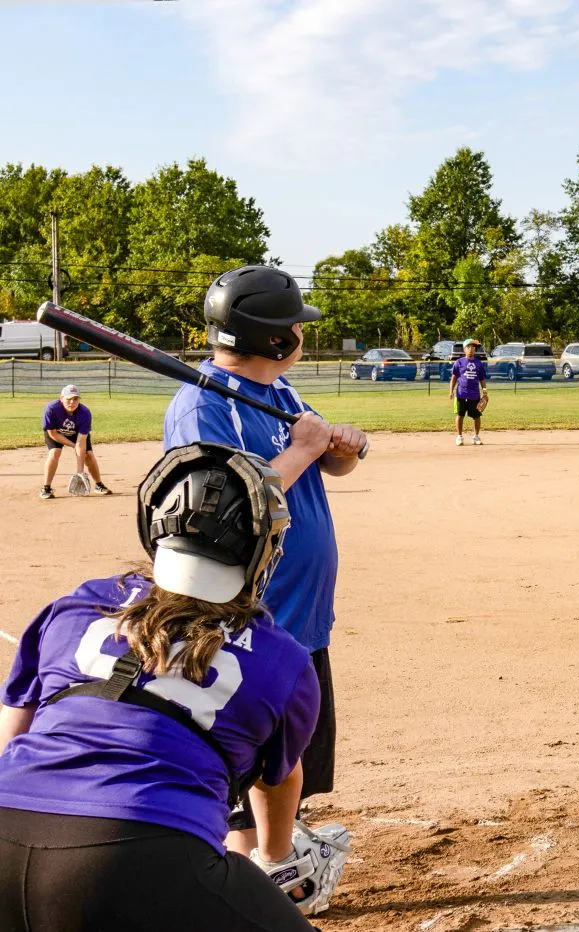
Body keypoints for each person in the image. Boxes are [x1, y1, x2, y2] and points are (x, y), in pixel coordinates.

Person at [0, 442, 347, 929]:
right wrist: (274, 855)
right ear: (261, 550)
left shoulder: (81, 602)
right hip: (139, 852)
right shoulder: (281, 657)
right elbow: (278, 780)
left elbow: (14, 732)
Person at [162, 265, 368, 867]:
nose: (303, 334)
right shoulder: (201, 407)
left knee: (291, 756)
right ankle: (252, 873)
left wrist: (338, 452)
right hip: (251, 616)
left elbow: (315, 466)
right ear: (277, 340)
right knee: (250, 756)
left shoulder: (279, 393)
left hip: (302, 615)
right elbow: (225, 507)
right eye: (295, 327)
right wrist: (304, 448)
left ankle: (272, 856)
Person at [41, 384, 112, 500]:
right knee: (54, 452)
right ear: (61, 398)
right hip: (56, 433)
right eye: (68, 399)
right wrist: (74, 446)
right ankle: (46, 488)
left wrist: (80, 472)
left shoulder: (85, 413)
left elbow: (81, 441)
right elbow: (52, 433)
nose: (72, 402)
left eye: (75, 399)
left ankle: (99, 485)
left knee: (88, 454)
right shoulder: (51, 409)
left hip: (77, 434)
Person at [449, 337, 490, 446]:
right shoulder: (459, 362)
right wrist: (451, 391)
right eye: (469, 347)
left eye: (473, 347)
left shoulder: (479, 363)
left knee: (476, 416)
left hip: (474, 395)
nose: (471, 349)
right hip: (461, 394)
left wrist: (484, 392)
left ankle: (476, 436)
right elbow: (454, 378)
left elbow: (482, 379)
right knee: (460, 415)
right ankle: (459, 437)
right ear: (464, 350)